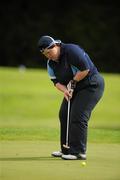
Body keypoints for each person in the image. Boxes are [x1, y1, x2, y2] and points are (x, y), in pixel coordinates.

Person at [38, 35, 105, 160]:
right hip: (75, 88)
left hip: (92, 84)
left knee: (78, 115)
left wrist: (73, 83)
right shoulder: (51, 64)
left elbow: (85, 69)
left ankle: (78, 152)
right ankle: (66, 149)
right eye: (45, 54)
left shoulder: (71, 51)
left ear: (56, 46)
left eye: (49, 52)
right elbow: (56, 82)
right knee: (64, 114)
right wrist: (66, 90)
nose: (49, 56)